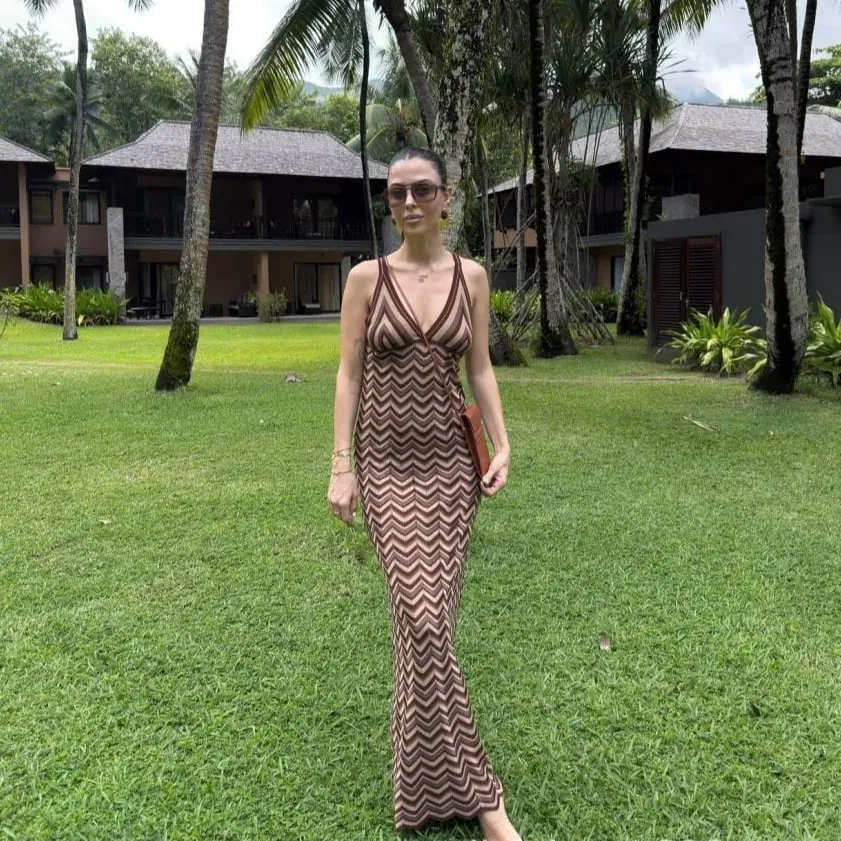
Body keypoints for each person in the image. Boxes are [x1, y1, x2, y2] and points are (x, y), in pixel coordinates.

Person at [328, 147, 520, 841]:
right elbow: (348, 375)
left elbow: (480, 368)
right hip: (384, 466)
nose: (408, 203)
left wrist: (502, 443)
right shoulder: (365, 278)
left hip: (450, 472)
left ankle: (420, 785)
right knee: (424, 622)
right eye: (395, 192)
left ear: (447, 196)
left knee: (428, 626)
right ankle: (487, 801)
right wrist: (341, 465)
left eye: (422, 190)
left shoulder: (472, 277)